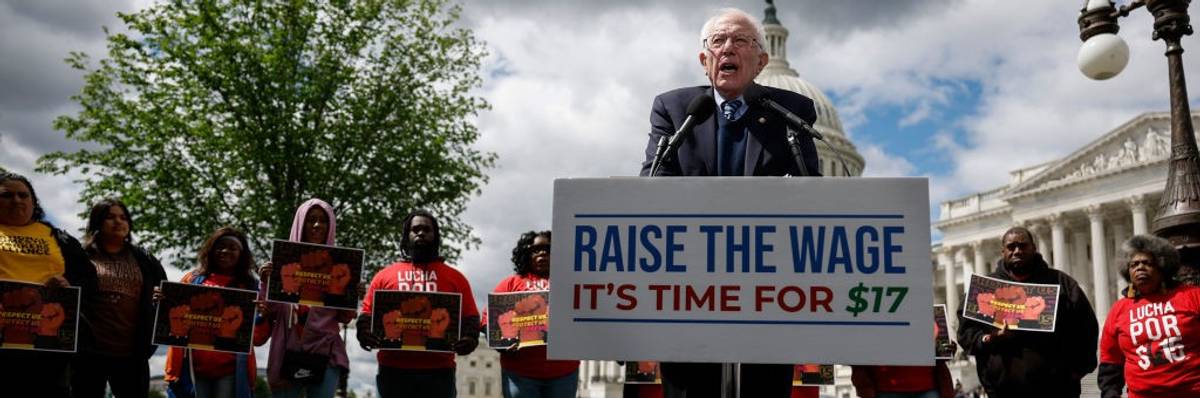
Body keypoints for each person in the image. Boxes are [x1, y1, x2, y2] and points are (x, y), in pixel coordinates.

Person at [636, 8, 821, 398]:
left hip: (768, 293)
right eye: (717, 42)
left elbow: (812, 194)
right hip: (688, 289)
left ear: (761, 61)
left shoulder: (793, 110)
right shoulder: (674, 109)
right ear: (704, 61)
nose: (727, 49)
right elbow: (653, 183)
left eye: (741, 41)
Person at [957, 227, 1098, 397]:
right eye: (1011, 247)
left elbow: (1087, 328)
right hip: (1003, 390)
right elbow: (966, 333)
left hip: (1057, 389)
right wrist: (989, 339)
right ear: (1003, 252)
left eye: (1023, 245)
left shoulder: (1061, 283)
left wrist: (1078, 370)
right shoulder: (984, 289)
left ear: (1034, 248)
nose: (1017, 251)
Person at [356, 209, 481, 398]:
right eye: (415, 229)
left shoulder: (456, 278)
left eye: (426, 229)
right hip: (393, 370)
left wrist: (470, 339)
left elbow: (471, 317)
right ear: (407, 236)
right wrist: (364, 332)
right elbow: (367, 313)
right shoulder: (384, 276)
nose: (421, 233)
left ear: (435, 236)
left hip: (439, 372)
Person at [0, 172, 98, 398]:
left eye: (23, 195)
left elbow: (89, 280)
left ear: (33, 202)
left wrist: (68, 283)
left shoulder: (58, 238)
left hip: (48, 345)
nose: (16, 200)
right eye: (7, 195)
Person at [256, 199, 356, 397]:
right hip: (286, 352)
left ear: (330, 226)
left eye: (322, 220)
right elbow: (268, 310)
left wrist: (351, 291)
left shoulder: (341, 267)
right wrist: (266, 281)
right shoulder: (282, 264)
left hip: (326, 353)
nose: (317, 225)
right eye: (311, 220)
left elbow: (345, 317)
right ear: (301, 223)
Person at [72, 198, 167, 398]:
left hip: (132, 354)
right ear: (97, 222)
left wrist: (159, 298)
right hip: (89, 354)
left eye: (123, 217)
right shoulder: (79, 257)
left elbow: (166, 298)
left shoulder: (145, 260)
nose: (118, 222)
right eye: (110, 217)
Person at [163, 227, 266, 398]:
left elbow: (258, 338)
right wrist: (162, 303)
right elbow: (171, 323)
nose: (225, 251)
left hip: (231, 372)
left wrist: (263, 316)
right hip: (191, 370)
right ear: (211, 250)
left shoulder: (251, 287)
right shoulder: (192, 280)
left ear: (242, 254)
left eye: (232, 247)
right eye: (220, 246)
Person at [1098, 234, 1200, 397]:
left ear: (1162, 266)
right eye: (1134, 265)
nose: (1140, 268)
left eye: (1147, 263)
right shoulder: (1119, 309)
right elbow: (1111, 360)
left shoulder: (1192, 296)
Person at [491, 230, 579, 398]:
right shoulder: (510, 284)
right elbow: (489, 319)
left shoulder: (572, 283)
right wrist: (498, 342)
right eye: (536, 249)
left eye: (548, 249)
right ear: (526, 253)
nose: (542, 253)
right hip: (520, 372)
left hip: (564, 371)